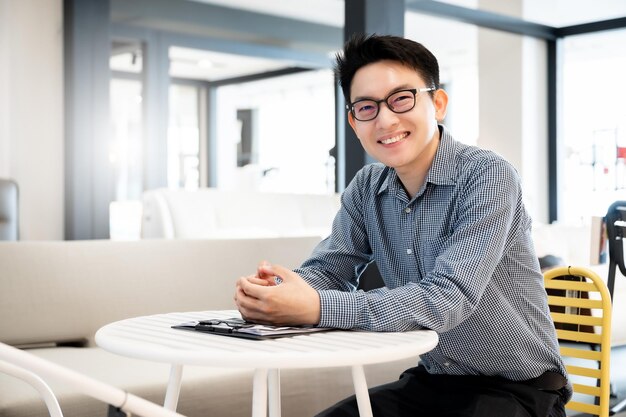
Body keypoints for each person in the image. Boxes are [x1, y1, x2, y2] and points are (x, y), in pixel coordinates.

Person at [234, 34, 570, 417]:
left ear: (437, 103)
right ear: (353, 121)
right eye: (367, 107)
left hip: (519, 390)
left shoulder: (487, 175)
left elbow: (448, 298)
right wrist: (276, 293)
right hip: (434, 381)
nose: (385, 119)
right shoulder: (367, 187)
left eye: (401, 98)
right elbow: (329, 270)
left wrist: (314, 307)